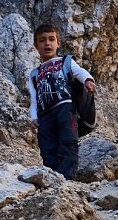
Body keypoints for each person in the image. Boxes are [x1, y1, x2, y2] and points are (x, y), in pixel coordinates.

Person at [28, 24, 95, 179]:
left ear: (58, 43)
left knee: (68, 140)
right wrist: (34, 118)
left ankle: (67, 177)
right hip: (45, 116)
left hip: (66, 109)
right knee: (47, 146)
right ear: (36, 46)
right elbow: (34, 98)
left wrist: (87, 80)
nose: (47, 43)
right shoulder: (34, 74)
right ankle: (52, 176)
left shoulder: (66, 62)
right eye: (42, 40)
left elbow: (79, 72)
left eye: (51, 39)